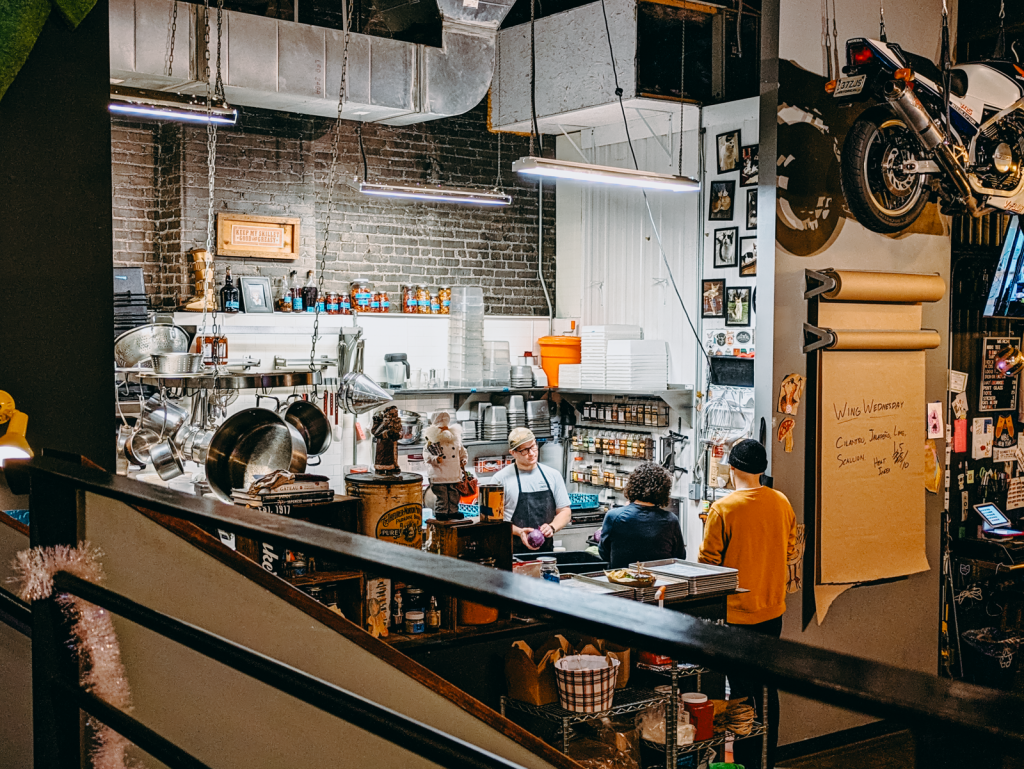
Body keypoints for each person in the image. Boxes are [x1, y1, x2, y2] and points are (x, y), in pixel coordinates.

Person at [698, 438, 797, 769]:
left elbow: (707, 566)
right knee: (768, 690)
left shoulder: (724, 509)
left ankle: (747, 762)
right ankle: (766, 760)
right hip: (773, 610)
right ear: (762, 470)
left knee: (742, 696)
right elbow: (791, 550)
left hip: (737, 615)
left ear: (732, 468)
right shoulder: (781, 502)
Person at [493, 427, 571, 553]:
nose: (532, 453)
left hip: (545, 554)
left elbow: (565, 511)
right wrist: (519, 532)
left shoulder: (553, 475)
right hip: (511, 552)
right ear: (513, 453)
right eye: (524, 450)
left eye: (533, 447)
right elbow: (493, 520)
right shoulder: (500, 479)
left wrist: (552, 527)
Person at [598, 462, 685, 568]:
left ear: (632, 485)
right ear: (664, 491)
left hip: (622, 581)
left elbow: (604, 554)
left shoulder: (613, 516)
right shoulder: (671, 520)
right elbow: (680, 557)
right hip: (659, 581)